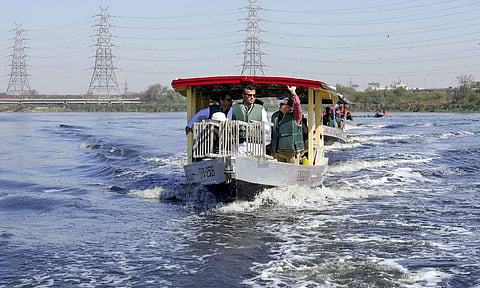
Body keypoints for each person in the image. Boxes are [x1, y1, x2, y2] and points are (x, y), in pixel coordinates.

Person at [270, 86, 304, 165]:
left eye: (282, 104)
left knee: (293, 172)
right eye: (280, 104)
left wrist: (293, 93)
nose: (280, 106)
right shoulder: (275, 116)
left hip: (292, 152)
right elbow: (274, 135)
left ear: (289, 106)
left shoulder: (296, 116)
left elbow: (297, 105)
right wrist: (273, 151)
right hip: (279, 151)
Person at [232, 85, 270, 150]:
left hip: (255, 144)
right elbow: (227, 124)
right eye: (249, 95)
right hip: (238, 144)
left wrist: (259, 124)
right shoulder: (234, 108)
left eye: (254, 95)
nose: (252, 97)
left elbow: (267, 128)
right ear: (243, 96)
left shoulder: (260, 109)